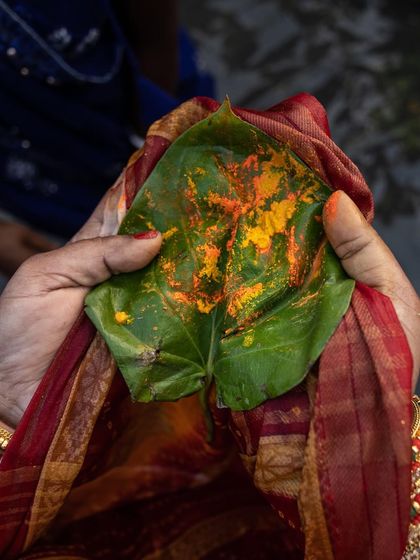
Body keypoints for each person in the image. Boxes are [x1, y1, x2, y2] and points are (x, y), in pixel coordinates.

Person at [0, 0, 214, 276]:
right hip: (42, 177)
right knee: (126, 251)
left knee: (212, 190)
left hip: (148, 90)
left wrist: (155, 131)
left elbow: (155, 33)